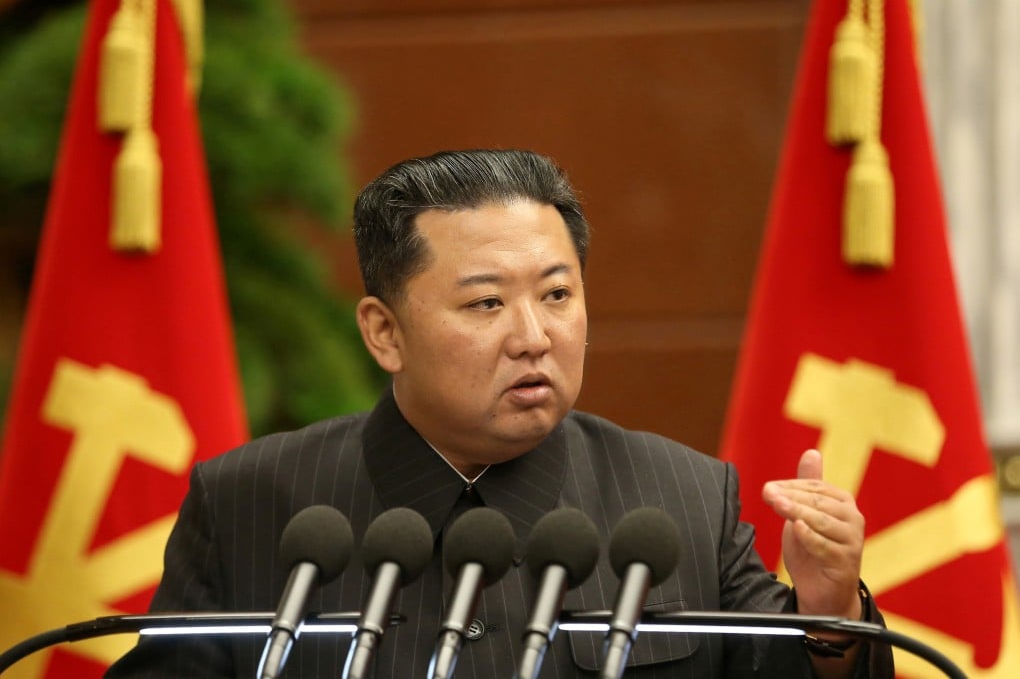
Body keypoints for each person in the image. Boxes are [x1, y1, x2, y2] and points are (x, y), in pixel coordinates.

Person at [106, 149, 893, 677]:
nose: (534, 336)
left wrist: (829, 613)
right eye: (486, 302)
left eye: (557, 295)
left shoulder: (683, 496)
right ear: (385, 333)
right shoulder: (254, 501)